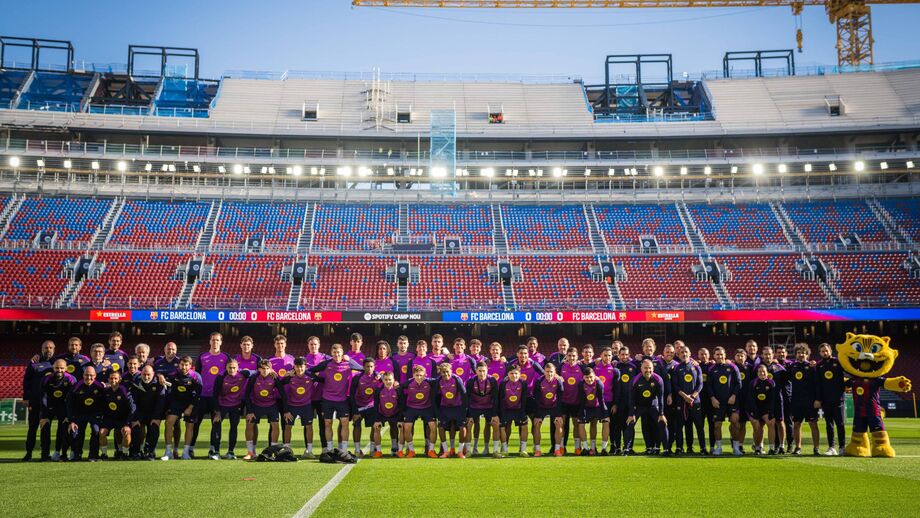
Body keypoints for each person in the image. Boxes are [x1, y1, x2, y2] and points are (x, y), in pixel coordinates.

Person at [308, 343, 364, 454]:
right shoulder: (327, 364)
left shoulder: (348, 364)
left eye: (338, 352)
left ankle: (344, 449)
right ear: (331, 353)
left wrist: (350, 359)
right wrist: (320, 379)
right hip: (327, 399)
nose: (336, 354)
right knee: (328, 423)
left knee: (345, 423)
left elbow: (362, 368)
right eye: (334, 352)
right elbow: (310, 371)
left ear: (342, 353)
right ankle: (329, 449)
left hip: (342, 400)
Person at [192, 331, 232, 458]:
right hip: (202, 396)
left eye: (217, 340)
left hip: (217, 397)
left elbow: (231, 373)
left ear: (221, 342)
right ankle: (190, 449)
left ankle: (213, 450)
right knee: (196, 423)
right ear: (210, 341)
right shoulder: (202, 356)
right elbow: (196, 375)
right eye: (213, 340)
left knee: (216, 424)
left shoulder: (226, 357)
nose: (215, 342)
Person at [161, 356, 201, 461]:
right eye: (182, 364)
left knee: (190, 426)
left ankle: (185, 453)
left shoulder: (196, 376)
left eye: (186, 365)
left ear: (190, 366)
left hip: (191, 403)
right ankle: (168, 452)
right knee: (168, 423)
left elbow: (197, 395)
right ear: (179, 365)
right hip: (176, 403)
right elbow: (169, 390)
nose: (184, 367)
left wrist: (190, 407)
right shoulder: (173, 375)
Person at [211, 358, 253, 460]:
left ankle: (230, 452)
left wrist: (271, 371)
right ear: (226, 367)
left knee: (234, 427)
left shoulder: (243, 374)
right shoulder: (220, 377)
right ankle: (216, 452)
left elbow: (257, 372)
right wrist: (217, 412)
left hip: (236, 405)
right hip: (222, 405)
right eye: (230, 368)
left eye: (234, 368)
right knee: (216, 426)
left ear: (238, 368)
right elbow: (215, 395)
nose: (232, 370)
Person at [22, 340, 55, 461]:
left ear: (54, 349)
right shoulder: (34, 362)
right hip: (35, 401)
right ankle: (28, 453)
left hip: (49, 402)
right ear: (42, 349)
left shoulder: (57, 362)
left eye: (50, 348)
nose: (48, 350)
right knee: (32, 427)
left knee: (46, 428)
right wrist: (26, 398)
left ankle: (45, 454)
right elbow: (26, 381)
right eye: (46, 347)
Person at [280, 357, 318, 459]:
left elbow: (322, 380)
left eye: (301, 366)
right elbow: (280, 387)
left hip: (306, 406)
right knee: (288, 427)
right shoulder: (289, 378)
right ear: (294, 367)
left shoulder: (311, 376)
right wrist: (286, 410)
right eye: (297, 366)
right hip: (292, 406)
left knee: (309, 427)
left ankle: (309, 451)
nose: (299, 369)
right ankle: (287, 450)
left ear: (305, 366)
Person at [38, 359, 76, 462]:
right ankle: (45, 454)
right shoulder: (46, 379)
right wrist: (44, 416)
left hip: (63, 407)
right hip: (49, 407)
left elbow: (72, 399)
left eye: (62, 368)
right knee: (45, 427)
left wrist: (69, 415)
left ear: (66, 368)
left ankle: (61, 453)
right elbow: (43, 397)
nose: (59, 370)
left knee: (63, 429)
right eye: (57, 368)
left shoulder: (71, 379)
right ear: (53, 368)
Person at [627, 359, 667, 455]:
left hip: (653, 406)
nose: (648, 370)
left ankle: (666, 449)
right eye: (645, 368)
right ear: (641, 369)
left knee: (662, 423)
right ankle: (626, 449)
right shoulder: (635, 380)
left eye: (650, 368)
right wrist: (631, 414)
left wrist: (661, 414)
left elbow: (661, 398)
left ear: (653, 368)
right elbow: (631, 398)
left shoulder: (658, 379)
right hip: (640, 406)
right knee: (630, 423)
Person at [707, 346, 742, 455]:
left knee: (735, 423)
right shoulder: (711, 369)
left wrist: (734, 395)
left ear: (725, 355)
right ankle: (719, 448)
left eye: (721, 354)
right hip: (718, 402)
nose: (720, 356)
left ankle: (736, 448)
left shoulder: (732, 367)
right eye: (717, 354)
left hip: (732, 401)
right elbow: (709, 386)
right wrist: (712, 398)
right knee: (717, 425)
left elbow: (739, 383)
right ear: (714, 356)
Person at [398, 365, 439, 458]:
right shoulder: (408, 383)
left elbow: (440, 380)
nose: (419, 377)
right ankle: (411, 450)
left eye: (421, 375)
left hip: (427, 407)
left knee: (433, 426)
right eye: (417, 375)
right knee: (407, 427)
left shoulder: (430, 382)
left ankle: (431, 450)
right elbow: (399, 387)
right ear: (413, 375)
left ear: (425, 375)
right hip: (412, 407)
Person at [244, 360, 283, 458]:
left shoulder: (274, 377)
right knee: (249, 424)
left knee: (275, 426)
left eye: (267, 368)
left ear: (270, 369)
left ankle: (274, 451)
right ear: (259, 369)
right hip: (256, 405)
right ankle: (250, 452)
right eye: (263, 369)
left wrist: (286, 410)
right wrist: (250, 411)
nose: (265, 370)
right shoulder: (253, 378)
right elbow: (246, 395)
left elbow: (283, 393)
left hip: (271, 405)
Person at [671, 344, 704, 455]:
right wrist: (685, 396)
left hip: (695, 401)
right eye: (682, 352)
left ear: (690, 354)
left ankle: (702, 448)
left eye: (686, 352)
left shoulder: (696, 366)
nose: (684, 354)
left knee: (698, 425)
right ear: (678, 355)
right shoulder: (676, 368)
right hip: (681, 401)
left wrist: (693, 396)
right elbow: (675, 386)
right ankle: (679, 447)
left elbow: (700, 384)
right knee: (680, 426)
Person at [67, 366, 105, 462]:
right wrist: (71, 420)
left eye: (91, 375)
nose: (89, 377)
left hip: (94, 414)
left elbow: (104, 401)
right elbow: (70, 404)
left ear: (95, 375)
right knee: (75, 431)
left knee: (96, 430)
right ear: (83, 375)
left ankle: (93, 454)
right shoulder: (76, 386)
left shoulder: (100, 386)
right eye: (87, 375)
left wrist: (101, 415)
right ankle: (77, 454)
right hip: (79, 414)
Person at [788, 343, 821, 456]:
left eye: (803, 353)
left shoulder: (812, 367)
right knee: (797, 424)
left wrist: (817, 399)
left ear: (807, 354)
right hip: (796, 401)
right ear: (796, 354)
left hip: (810, 401)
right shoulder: (792, 367)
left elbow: (817, 384)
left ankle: (816, 448)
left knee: (813, 424)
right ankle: (798, 448)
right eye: (799, 353)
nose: (801, 355)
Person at [815, 342, 846, 456]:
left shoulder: (838, 362)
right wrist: (819, 399)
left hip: (838, 399)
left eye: (826, 351)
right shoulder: (819, 365)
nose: (825, 353)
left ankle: (842, 447)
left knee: (840, 424)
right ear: (820, 353)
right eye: (822, 351)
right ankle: (831, 447)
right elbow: (818, 384)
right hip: (826, 400)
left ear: (830, 351)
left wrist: (847, 385)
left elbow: (849, 371)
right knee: (829, 424)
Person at [129, 364, 166, 460]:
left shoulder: (159, 384)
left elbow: (160, 402)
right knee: (135, 427)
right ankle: (136, 452)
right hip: (140, 412)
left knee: (154, 427)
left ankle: (150, 452)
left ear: (153, 374)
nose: (146, 377)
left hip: (153, 412)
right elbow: (133, 402)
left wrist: (156, 417)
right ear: (141, 374)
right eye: (144, 374)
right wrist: (135, 418)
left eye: (148, 374)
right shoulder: (136, 384)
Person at [98, 370, 135, 460]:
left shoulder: (124, 391)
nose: (113, 380)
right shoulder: (106, 391)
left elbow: (133, 408)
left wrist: (127, 423)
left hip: (123, 418)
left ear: (120, 379)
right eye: (111, 378)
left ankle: (125, 454)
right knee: (101, 432)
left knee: (126, 431)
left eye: (115, 378)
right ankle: (104, 454)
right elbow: (102, 406)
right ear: (108, 380)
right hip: (110, 418)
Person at [349, 357, 380, 458]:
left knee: (374, 427)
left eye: (371, 366)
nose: (369, 368)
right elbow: (352, 394)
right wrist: (355, 411)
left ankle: (372, 450)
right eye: (367, 366)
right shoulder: (357, 378)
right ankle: (357, 450)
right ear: (363, 367)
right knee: (357, 426)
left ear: (374, 367)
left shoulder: (378, 377)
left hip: (372, 406)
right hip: (359, 406)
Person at [531, 361, 564, 456]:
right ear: (544, 372)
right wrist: (538, 415)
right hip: (541, 407)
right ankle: (537, 449)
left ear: (555, 372)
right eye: (547, 371)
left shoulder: (558, 381)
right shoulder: (539, 381)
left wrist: (559, 414)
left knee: (559, 424)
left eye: (551, 372)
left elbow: (560, 399)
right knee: (537, 424)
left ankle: (557, 449)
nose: (549, 374)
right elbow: (536, 398)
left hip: (554, 406)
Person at [435, 362, 468, 458]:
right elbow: (434, 396)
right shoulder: (438, 381)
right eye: (443, 372)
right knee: (441, 427)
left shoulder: (457, 379)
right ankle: (446, 451)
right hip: (445, 407)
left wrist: (464, 409)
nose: (446, 374)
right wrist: (437, 411)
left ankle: (460, 451)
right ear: (440, 372)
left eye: (447, 371)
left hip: (458, 407)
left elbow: (464, 394)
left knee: (462, 427)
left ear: (451, 371)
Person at [467, 361, 499, 456]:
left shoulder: (492, 380)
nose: (482, 373)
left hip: (488, 406)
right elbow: (467, 398)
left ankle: (491, 449)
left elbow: (495, 397)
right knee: (469, 425)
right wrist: (469, 414)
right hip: (474, 406)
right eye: (480, 371)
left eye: (484, 371)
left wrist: (494, 414)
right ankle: (470, 450)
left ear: (487, 370)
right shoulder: (471, 381)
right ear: (476, 371)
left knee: (493, 424)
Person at [590, 347, 619, 455]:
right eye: (605, 355)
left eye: (609, 355)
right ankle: (593, 448)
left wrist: (615, 403)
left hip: (608, 401)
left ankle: (604, 448)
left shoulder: (615, 370)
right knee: (593, 423)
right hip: (595, 401)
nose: (607, 357)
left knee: (606, 423)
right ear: (601, 356)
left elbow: (616, 389)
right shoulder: (594, 368)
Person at [303, 335, 329, 450]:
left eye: (315, 344)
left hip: (322, 397)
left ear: (319, 345)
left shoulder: (326, 358)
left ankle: (325, 448)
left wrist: (316, 374)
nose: (313, 346)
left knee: (323, 424)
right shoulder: (304, 360)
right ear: (308, 345)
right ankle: (308, 449)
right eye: (311, 344)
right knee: (307, 424)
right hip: (308, 398)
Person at [761, 346, 789, 454]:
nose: (767, 356)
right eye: (765, 354)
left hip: (778, 399)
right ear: (762, 355)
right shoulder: (759, 368)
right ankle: (769, 447)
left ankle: (782, 446)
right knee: (766, 423)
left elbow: (786, 383)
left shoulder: (780, 368)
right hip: (764, 401)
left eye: (769, 354)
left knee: (780, 422)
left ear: (773, 355)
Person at [497, 364, 529, 457]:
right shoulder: (503, 384)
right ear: (508, 374)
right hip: (506, 409)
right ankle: (504, 449)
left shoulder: (523, 383)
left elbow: (524, 399)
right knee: (502, 427)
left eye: (516, 373)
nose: (514, 375)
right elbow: (501, 400)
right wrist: (502, 414)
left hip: (519, 409)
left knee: (524, 425)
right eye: (511, 373)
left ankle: (523, 449)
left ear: (519, 374)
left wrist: (523, 413)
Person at [559, 346, 586, 454]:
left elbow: (590, 374)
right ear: (566, 356)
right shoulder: (561, 367)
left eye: (573, 356)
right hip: (563, 401)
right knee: (562, 424)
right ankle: (562, 447)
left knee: (576, 425)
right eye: (569, 356)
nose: (571, 358)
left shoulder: (582, 367)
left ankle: (577, 447)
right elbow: (552, 373)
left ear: (577, 356)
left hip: (577, 401)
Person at [747, 363, 777, 455]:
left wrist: (770, 411)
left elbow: (772, 399)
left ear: (767, 373)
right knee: (757, 426)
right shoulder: (753, 383)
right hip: (755, 409)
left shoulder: (771, 383)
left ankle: (771, 448)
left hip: (766, 409)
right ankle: (757, 448)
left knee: (771, 423)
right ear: (757, 373)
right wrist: (754, 412)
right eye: (760, 372)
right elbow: (751, 399)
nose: (762, 373)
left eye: (764, 371)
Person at [613, 346, 638, 455]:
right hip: (619, 401)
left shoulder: (634, 366)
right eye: (622, 354)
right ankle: (617, 447)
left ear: (629, 355)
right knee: (618, 425)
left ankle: (628, 447)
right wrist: (614, 403)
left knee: (630, 425)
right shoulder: (615, 367)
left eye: (626, 354)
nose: (624, 356)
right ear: (618, 355)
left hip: (631, 401)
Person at [577, 367, 607, 456]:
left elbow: (601, 399)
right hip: (586, 407)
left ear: (594, 376)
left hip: (597, 406)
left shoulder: (599, 383)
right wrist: (581, 414)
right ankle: (585, 448)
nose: (589, 379)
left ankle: (602, 449)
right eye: (587, 377)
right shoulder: (581, 384)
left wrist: (605, 414)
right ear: (583, 377)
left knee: (605, 422)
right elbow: (582, 400)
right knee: (580, 424)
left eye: (591, 377)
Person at [375, 371, 401, 457]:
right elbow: (376, 405)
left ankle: (394, 447)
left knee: (394, 427)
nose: (388, 381)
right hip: (382, 413)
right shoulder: (378, 390)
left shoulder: (398, 390)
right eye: (386, 380)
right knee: (376, 427)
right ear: (383, 380)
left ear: (394, 380)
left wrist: (400, 418)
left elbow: (401, 404)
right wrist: (377, 419)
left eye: (390, 379)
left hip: (394, 413)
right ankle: (378, 450)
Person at [733, 349, 753, 453]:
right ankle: (734, 443)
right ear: (735, 357)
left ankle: (740, 445)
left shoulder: (750, 368)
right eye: (738, 355)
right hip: (734, 399)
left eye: (742, 356)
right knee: (734, 422)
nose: (740, 357)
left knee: (743, 423)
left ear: (745, 357)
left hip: (746, 399)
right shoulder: (731, 367)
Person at [697, 347, 714, 454]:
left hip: (711, 400)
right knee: (700, 425)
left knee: (712, 425)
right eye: (701, 354)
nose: (703, 356)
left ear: (709, 355)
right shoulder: (696, 366)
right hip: (699, 401)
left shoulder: (713, 366)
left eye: (705, 354)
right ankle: (702, 447)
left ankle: (712, 446)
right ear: (698, 355)